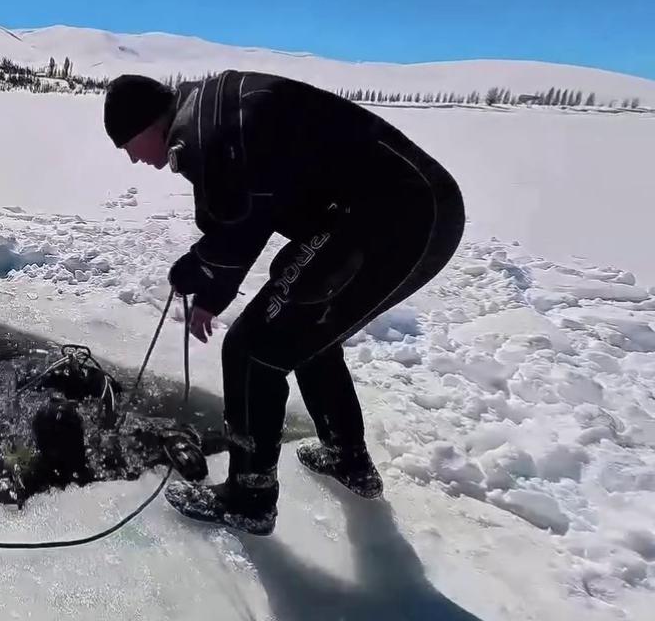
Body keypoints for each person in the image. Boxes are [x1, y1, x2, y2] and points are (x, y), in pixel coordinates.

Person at [102, 71, 465, 535]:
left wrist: (196, 271)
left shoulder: (203, 131)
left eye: (129, 146)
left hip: (394, 221)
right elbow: (244, 210)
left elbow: (240, 224)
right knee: (302, 328)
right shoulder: (208, 112)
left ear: (148, 125)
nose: (134, 160)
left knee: (250, 350)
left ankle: (249, 496)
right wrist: (211, 289)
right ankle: (347, 458)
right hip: (407, 211)